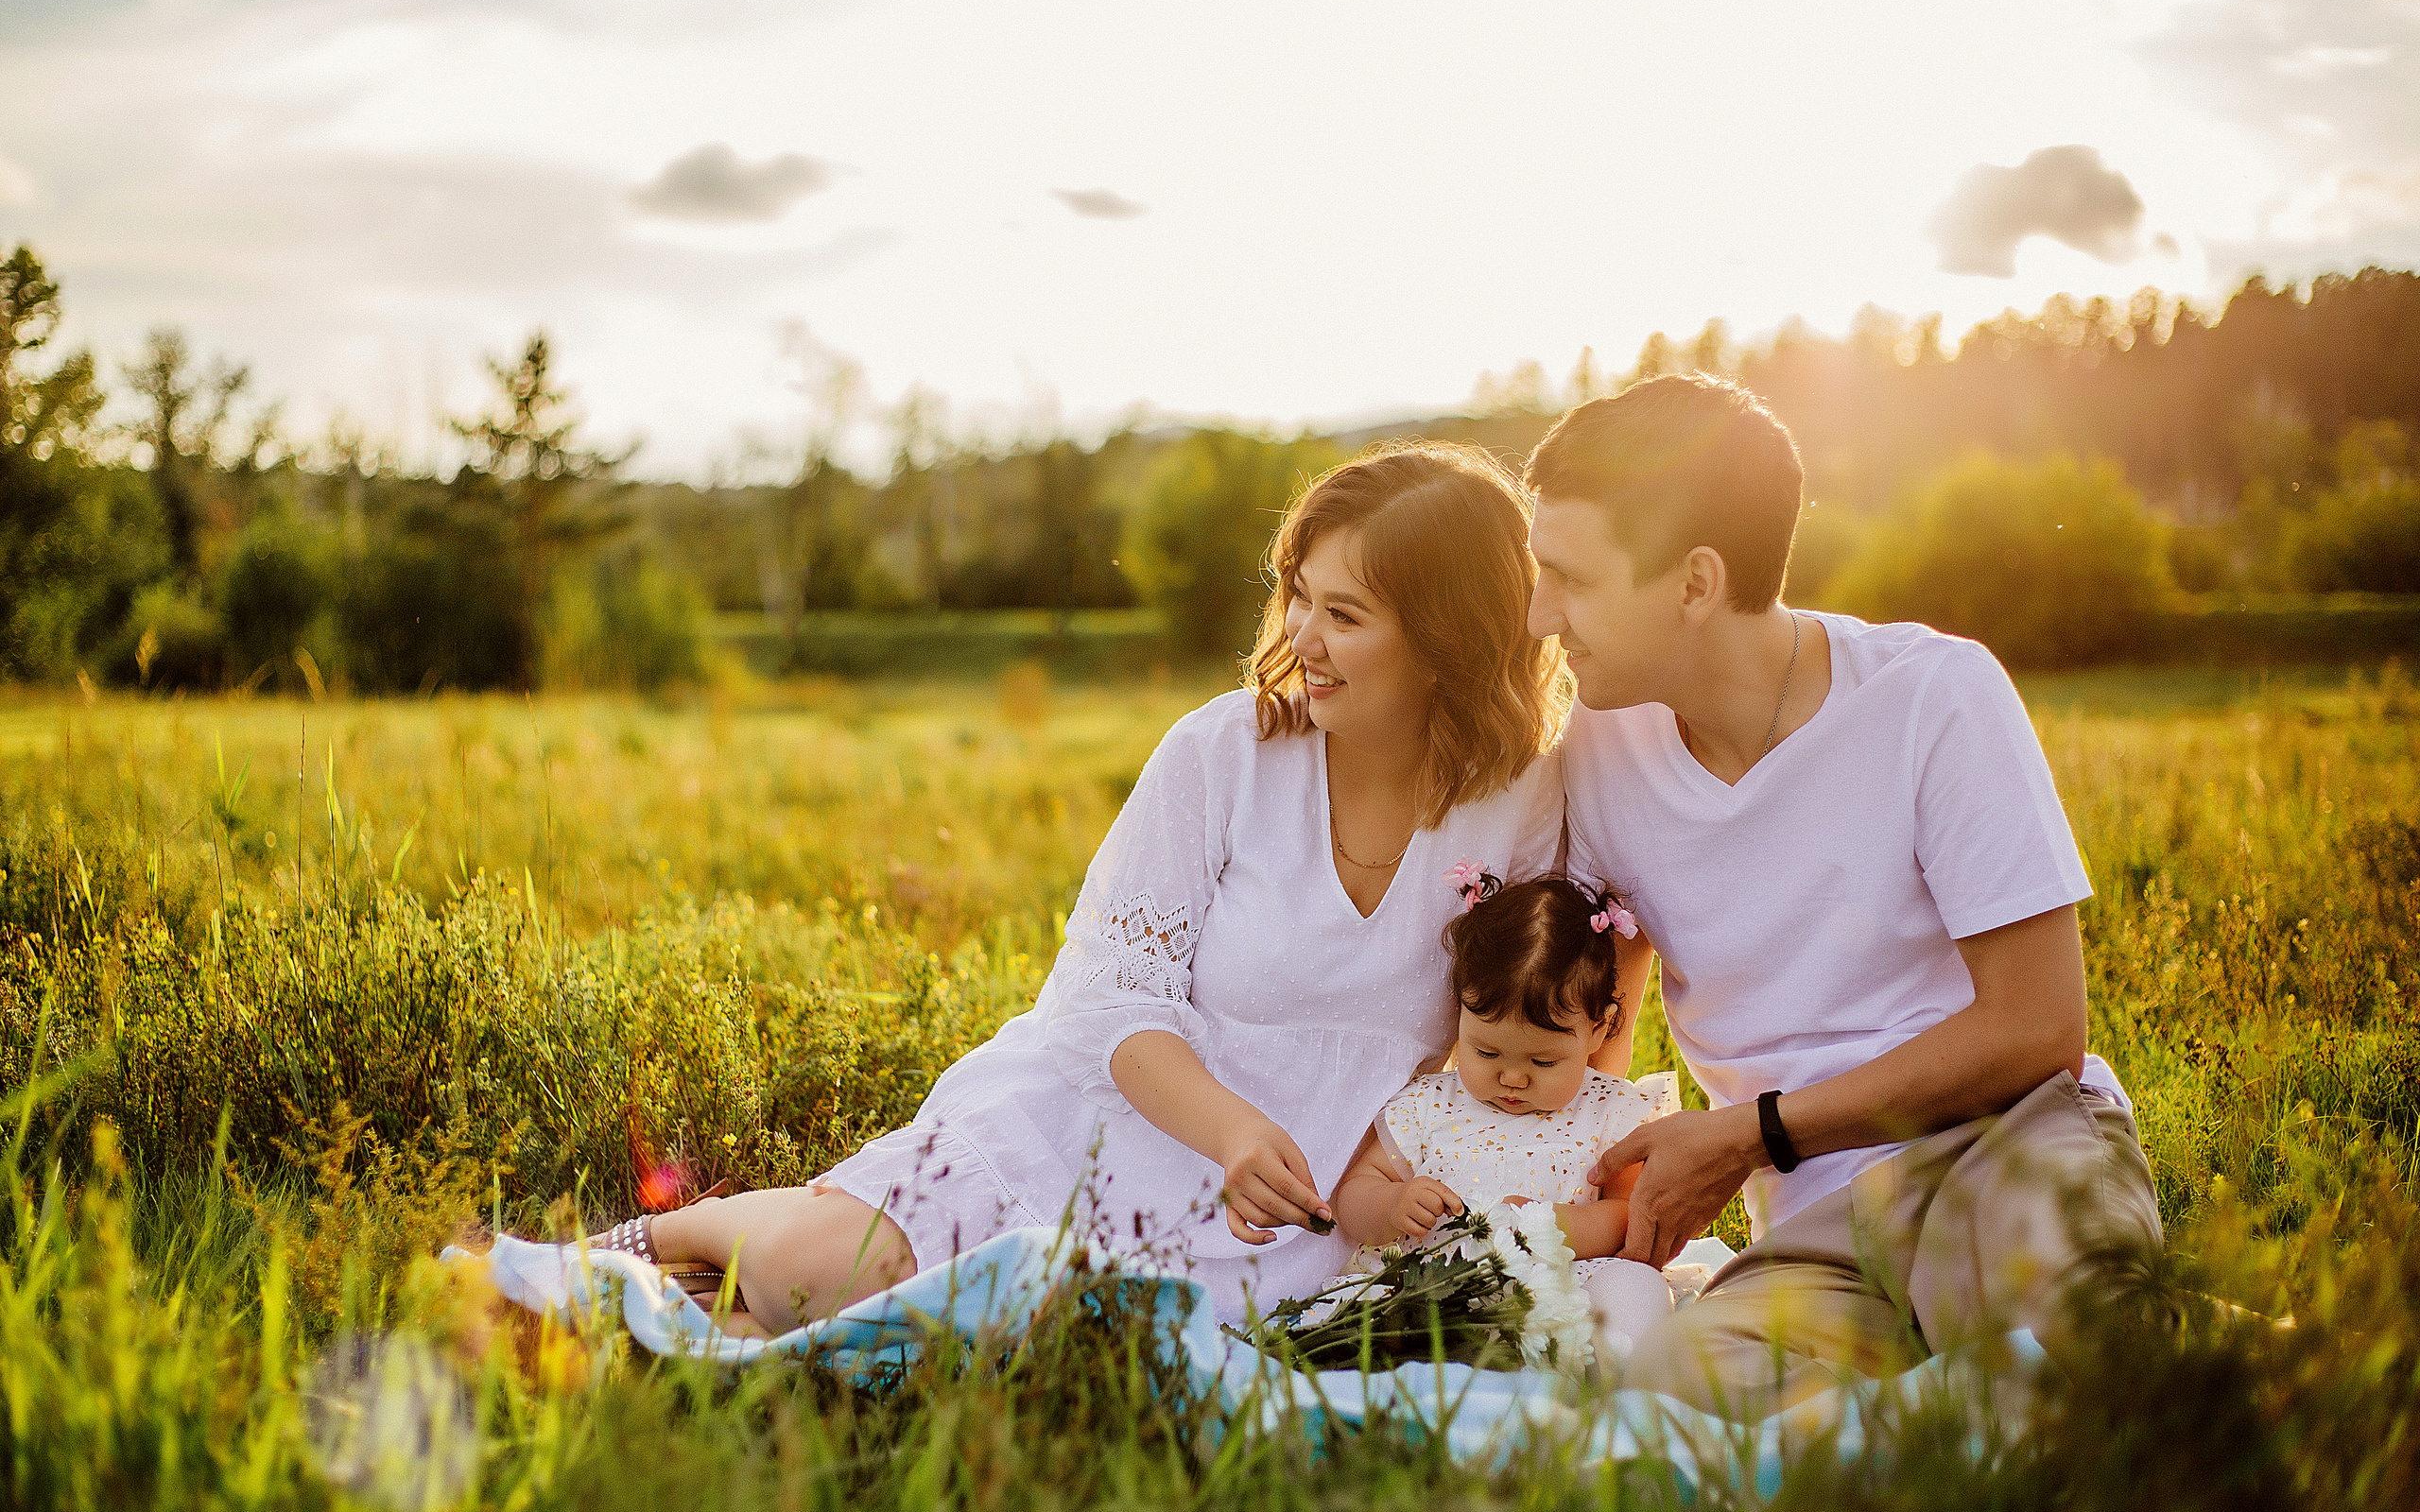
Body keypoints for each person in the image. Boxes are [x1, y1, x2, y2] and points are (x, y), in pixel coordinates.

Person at [595, 441, 1571, 1334]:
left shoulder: (1520, 801)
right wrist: (1231, 1130)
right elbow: (1104, 1001)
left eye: (1345, 615)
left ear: (1447, 639)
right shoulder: (1223, 752)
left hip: (1318, 1201)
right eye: (1300, 597)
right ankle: (716, 1226)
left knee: (1069, 1349)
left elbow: (1566, 995)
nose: (1304, 636)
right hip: (1105, 1125)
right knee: (822, 1284)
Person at [1524, 373, 2162, 1418]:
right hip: (1815, 1234)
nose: (1542, 614)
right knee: (1678, 1401)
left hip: (2001, 1146)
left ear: (1693, 583)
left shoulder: (1932, 696)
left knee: (2069, 1367)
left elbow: (2037, 1027)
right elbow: (1603, 1022)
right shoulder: (1598, 749)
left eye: (1570, 580)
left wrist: (1749, 1136)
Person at [1326, 872, 1683, 1357]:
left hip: (1562, 1291)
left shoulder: (1610, 1111)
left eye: (1542, 1062)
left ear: (1598, 1030)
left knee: (1636, 1290)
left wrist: (1552, 1228)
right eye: (1487, 1052)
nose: (1512, 1079)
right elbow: (1351, 1198)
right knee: (1372, 1311)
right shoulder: (1431, 1105)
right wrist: (1391, 1205)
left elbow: (1633, 1214)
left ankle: (1592, 1377)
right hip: (1436, 1289)